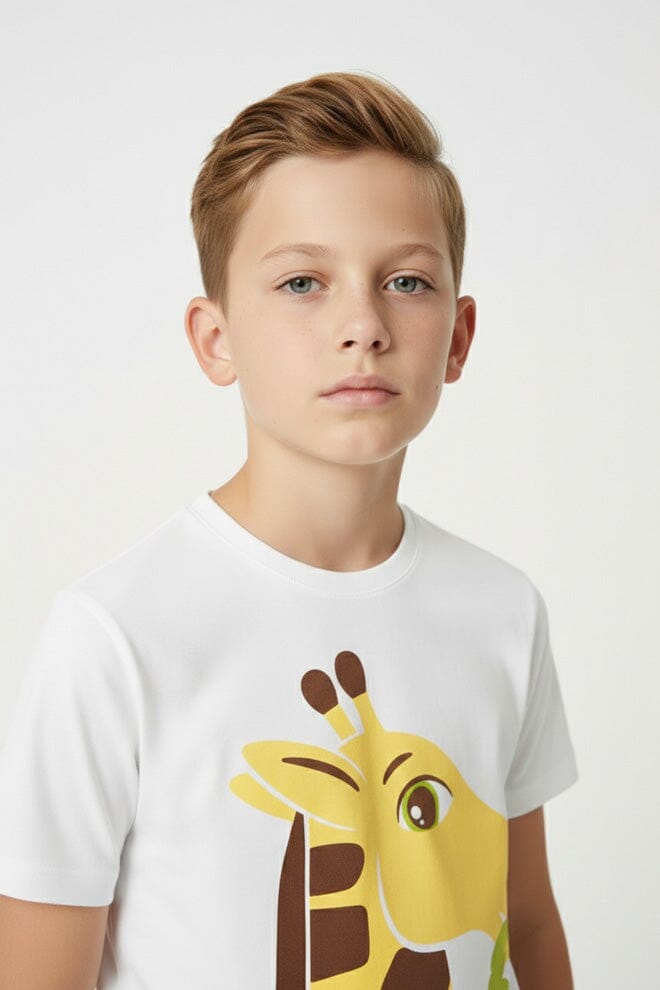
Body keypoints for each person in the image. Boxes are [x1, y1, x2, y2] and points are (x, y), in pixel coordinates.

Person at [0, 71, 578, 989]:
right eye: (303, 282)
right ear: (215, 338)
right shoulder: (115, 636)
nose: (363, 325)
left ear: (459, 337)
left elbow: (530, 922)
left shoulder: (502, 611)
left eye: (407, 281)